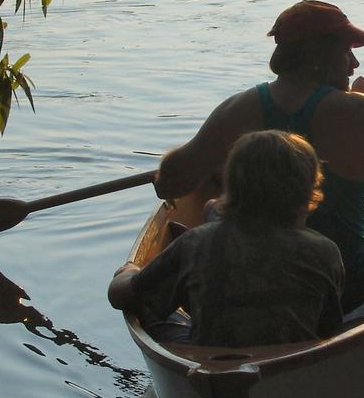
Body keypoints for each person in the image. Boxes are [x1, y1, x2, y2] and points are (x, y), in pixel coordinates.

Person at [154, 1, 364, 308]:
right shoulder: (359, 109)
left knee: (214, 206)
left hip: (258, 274)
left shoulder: (237, 109)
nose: (354, 64)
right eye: (346, 51)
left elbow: (168, 185)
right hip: (348, 274)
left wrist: (214, 155)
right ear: (317, 56)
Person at [109, 131, 344, 346]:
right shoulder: (325, 250)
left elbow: (120, 296)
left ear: (229, 185)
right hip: (293, 362)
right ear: (307, 194)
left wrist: (129, 272)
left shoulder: (196, 241)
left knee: (148, 301)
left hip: (212, 360)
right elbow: (328, 331)